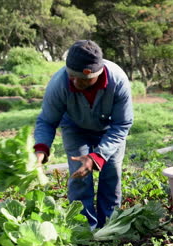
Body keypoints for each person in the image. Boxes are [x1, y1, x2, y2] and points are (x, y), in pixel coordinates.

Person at [34, 40, 134, 228]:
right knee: (79, 176)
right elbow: (47, 121)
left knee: (111, 172)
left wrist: (98, 156)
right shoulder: (59, 83)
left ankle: (110, 225)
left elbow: (122, 124)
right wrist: (41, 149)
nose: (77, 82)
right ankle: (84, 228)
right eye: (73, 76)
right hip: (74, 127)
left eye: (85, 79)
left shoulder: (117, 80)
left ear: (98, 73)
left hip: (110, 129)